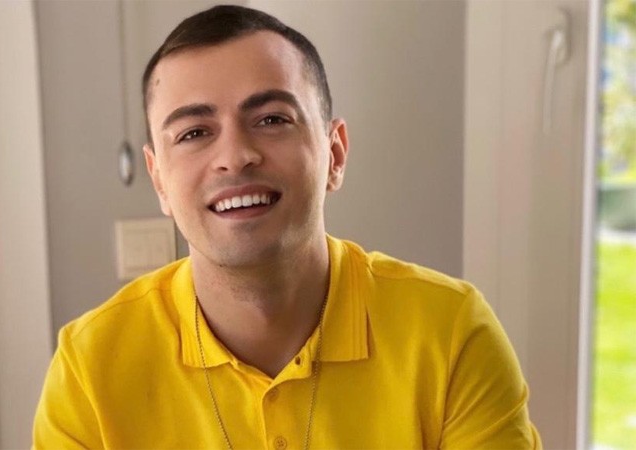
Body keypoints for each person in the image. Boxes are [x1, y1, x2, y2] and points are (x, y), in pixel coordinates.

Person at [33, 5, 541, 449]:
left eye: (272, 120)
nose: (235, 156)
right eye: (194, 132)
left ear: (334, 154)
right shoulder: (90, 368)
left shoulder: (451, 333)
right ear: (159, 180)